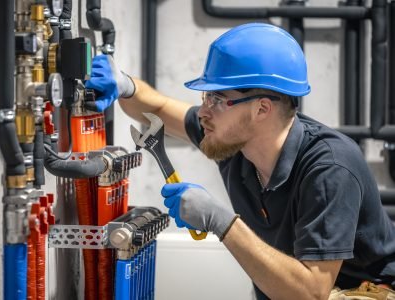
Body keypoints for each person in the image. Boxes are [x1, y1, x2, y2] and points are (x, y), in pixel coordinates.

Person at [85, 23, 395, 299]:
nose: (203, 111)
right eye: (206, 98)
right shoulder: (230, 138)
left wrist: (223, 223)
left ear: (262, 109)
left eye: (217, 99)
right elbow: (159, 108)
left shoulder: (329, 168)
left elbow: (310, 293)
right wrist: (126, 85)